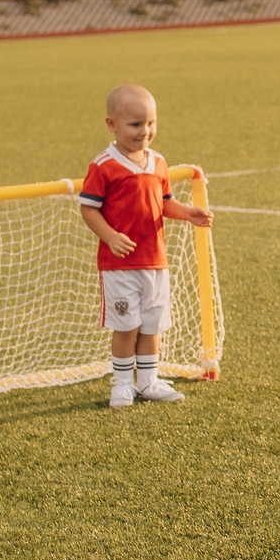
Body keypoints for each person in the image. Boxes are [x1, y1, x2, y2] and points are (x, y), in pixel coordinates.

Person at [80, 83, 212, 406]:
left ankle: (148, 382)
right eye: (136, 125)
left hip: (155, 261)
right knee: (127, 326)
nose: (145, 132)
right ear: (112, 124)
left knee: (152, 326)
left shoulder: (158, 163)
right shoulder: (103, 166)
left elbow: (164, 203)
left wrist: (186, 213)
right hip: (119, 266)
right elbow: (88, 208)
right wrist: (110, 236)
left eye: (151, 123)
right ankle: (122, 384)